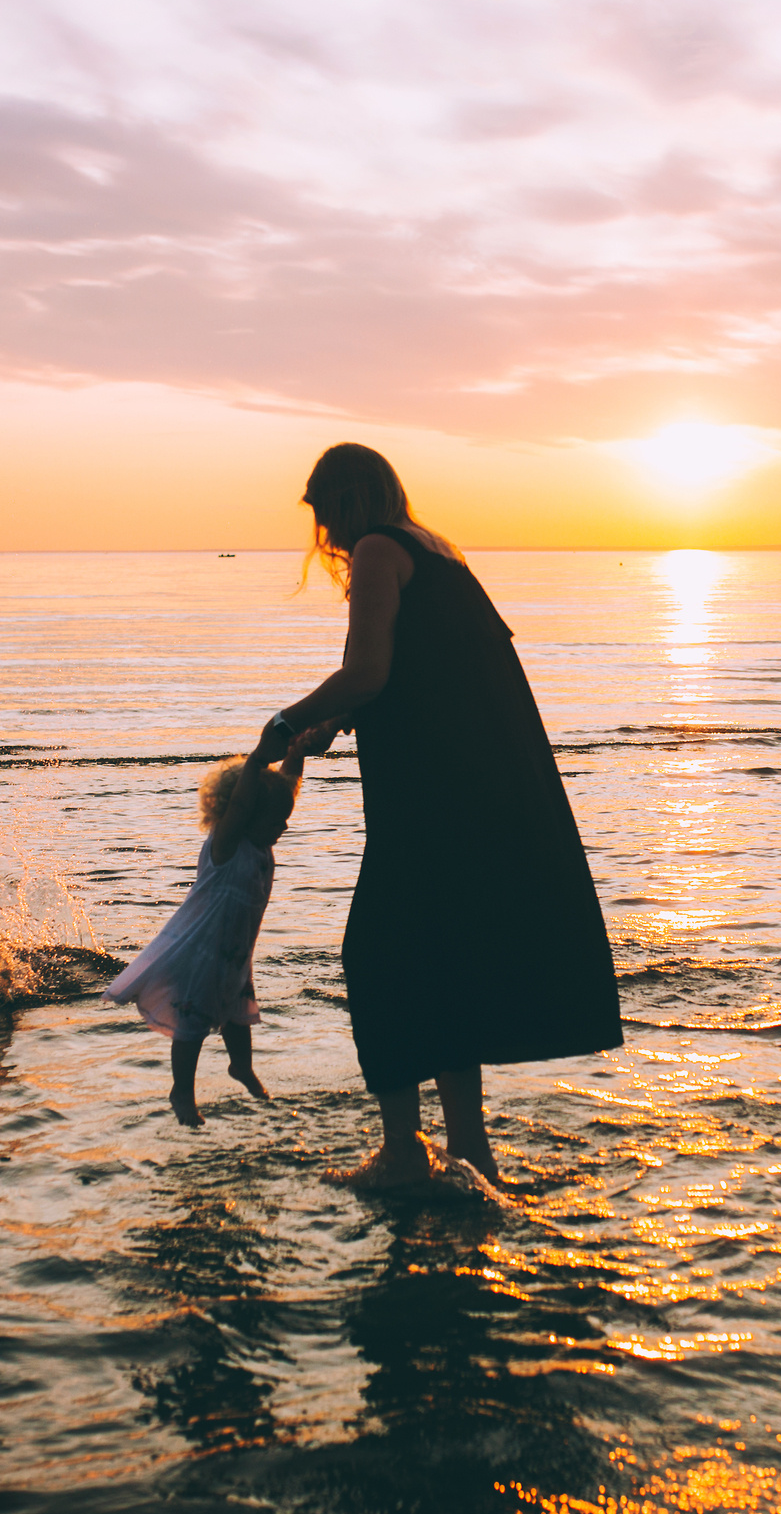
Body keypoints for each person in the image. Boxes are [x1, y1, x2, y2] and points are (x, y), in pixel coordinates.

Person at [256, 443, 623, 1187]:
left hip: (431, 797)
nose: (320, 528)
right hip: (484, 788)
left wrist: (280, 722)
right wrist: (334, 726)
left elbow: (370, 671)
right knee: (442, 961)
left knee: (380, 957)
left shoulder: (377, 550)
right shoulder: (439, 553)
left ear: (350, 499)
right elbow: (425, 674)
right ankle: (468, 1152)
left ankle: (402, 1156)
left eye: (323, 507)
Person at [105, 725, 328, 1127]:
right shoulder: (226, 845)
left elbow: (286, 790)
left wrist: (296, 752)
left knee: (237, 1014)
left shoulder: (261, 843)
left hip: (234, 955)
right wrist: (258, 759)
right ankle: (182, 1092)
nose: (285, 826)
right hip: (200, 956)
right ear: (243, 816)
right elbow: (244, 805)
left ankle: (240, 1068)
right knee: (192, 1023)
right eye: (276, 819)